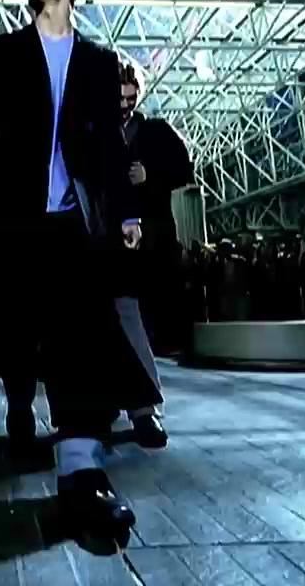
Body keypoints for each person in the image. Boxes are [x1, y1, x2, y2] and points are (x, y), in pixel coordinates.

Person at [0, 0, 161, 545]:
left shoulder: (97, 61)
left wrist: (125, 211)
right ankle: (20, 410)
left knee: (81, 340)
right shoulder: (3, 51)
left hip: (74, 223)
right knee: (18, 330)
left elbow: (111, 146)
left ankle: (81, 472)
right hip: (17, 219)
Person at [117, 62, 192, 447]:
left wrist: (151, 175)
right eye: (119, 98)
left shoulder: (156, 132)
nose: (125, 105)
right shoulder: (95, 131)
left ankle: (144, 407)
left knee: (135, 320)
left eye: (131, 98)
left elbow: (184, 169)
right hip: (110, 243)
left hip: (150, 243)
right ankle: (136, 405)